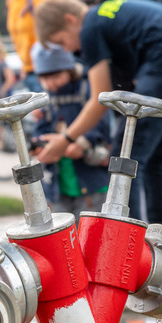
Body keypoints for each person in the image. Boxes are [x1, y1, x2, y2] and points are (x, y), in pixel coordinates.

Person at [34, 0, 162, 226]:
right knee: (155, 155)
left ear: (70, 20)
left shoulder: (89, 27)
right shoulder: (105, 17)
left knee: (125, 157)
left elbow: (100, 98)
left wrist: (66, 139)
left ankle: (127, 239)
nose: (68, 50)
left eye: (62, 41)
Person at [30, 43, 111, 219]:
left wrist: (82, 143)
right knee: (63, 229)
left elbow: (100, 122)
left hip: (90, 179)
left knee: (91, 227)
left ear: (70, 70)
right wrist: (39, 144)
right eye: (45, 78)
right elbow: (41, 127)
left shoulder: (87, 90)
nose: (50, 83)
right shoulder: (46, 99)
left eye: (56, 76)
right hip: (59, 183)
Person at [3, 0, 62, 91]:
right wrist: (25, 65)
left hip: (48, 73)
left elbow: (58, 31)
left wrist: (50, 73)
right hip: (30, 72)